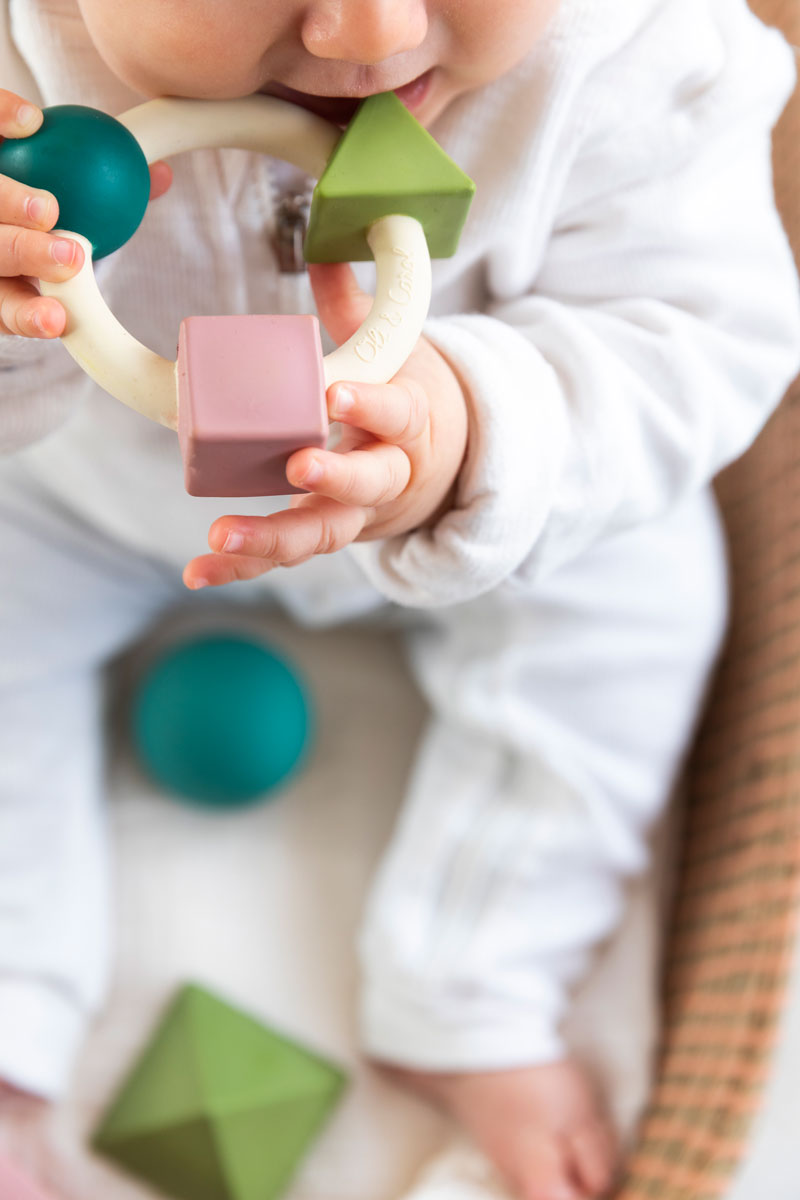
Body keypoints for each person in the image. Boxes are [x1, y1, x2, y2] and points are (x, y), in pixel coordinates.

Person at [0, 1, 798, 1198]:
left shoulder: (639, 54)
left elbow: (703, 335)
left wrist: (477, 431)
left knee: (651, 601)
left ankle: (476, 977)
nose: (368, 34)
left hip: (474, 517)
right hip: (86, 500)